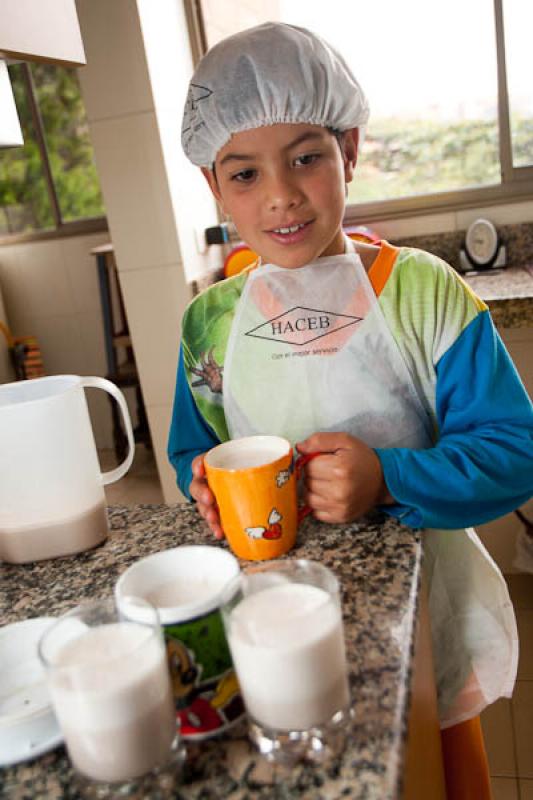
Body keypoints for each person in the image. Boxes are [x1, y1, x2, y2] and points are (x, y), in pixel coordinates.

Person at [168, 21, 533, 797]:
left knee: (440, 776)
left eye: (306, 157)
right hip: (274, 618)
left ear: (350, 149)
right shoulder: (210, 322)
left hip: (420, 607)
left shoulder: (424, 291)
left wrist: (389, 478)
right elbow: (189, 450)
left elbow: (513, 448)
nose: (281, 194)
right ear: (211, 185)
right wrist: (200, 482)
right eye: (243, 174)